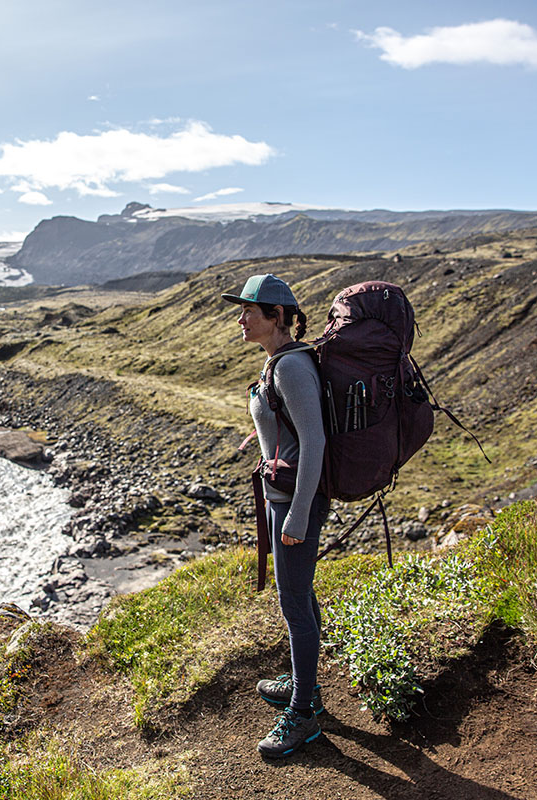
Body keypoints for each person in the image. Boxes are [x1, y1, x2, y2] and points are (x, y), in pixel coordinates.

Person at [222, 273, 329, 759]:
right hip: (282, 496)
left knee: (293, 603)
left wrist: (298, 515)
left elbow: (315, 442)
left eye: (250, 311)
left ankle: (304, 713)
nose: (241, 319)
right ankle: (303, 684)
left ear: (278, 317)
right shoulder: (276, 365)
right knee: (300, 595)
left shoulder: (290, 368)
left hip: (293, 502)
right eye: (241, 310)